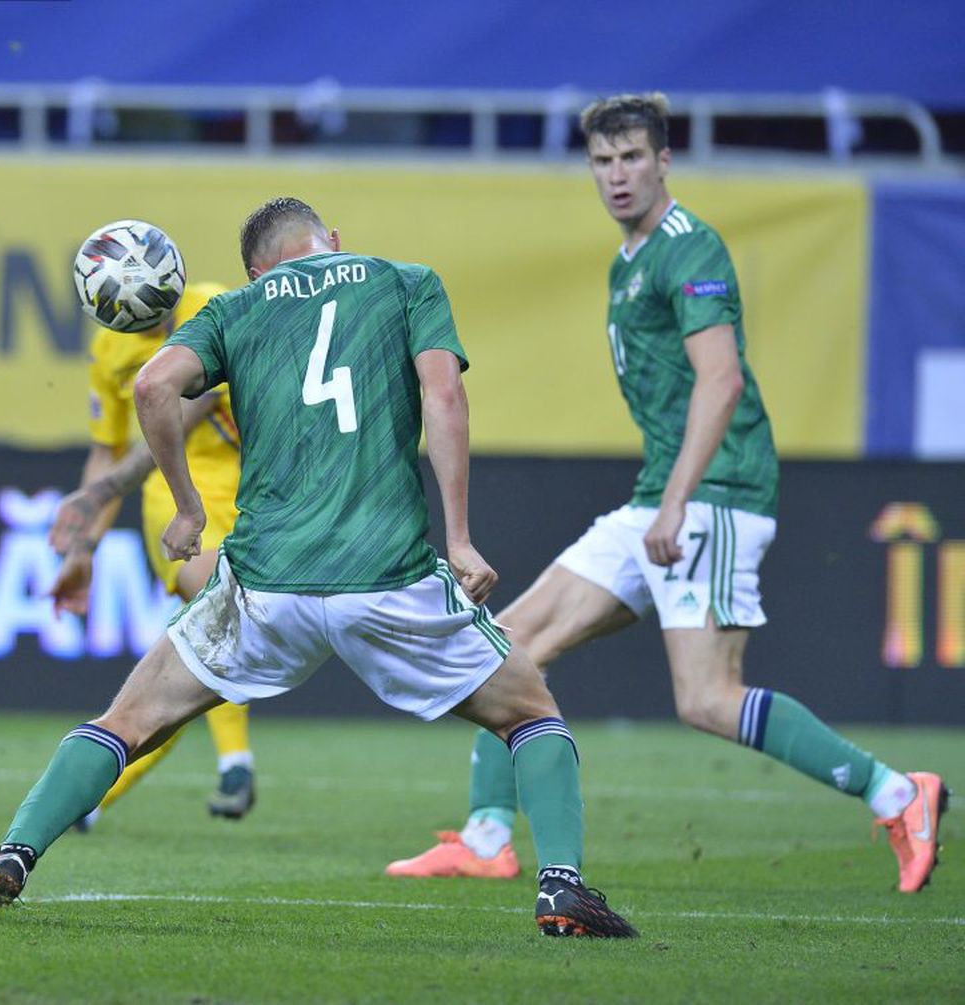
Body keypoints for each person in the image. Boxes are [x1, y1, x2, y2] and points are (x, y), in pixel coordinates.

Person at [0, 197, 636, 938]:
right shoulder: (406, 280)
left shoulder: (239, 307)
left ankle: (12, 854)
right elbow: (443, 394)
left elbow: (155, 386)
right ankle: (562, 888)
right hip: (384, 569)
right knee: (530, 712)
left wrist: (187, 508)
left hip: (263, 579)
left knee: (127, 721)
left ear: (258, 270)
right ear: (334, 242)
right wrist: (460, 538)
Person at [386, 94, 948, 894]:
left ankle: (898, 793)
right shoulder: (630, 261)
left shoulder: (690, 248)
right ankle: (486, 835)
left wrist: (680, 500)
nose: (617, 176)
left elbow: (721, 381)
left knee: (709, 698)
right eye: (603, 162)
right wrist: (664, 496)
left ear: (664, 162)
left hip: (712, 494)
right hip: (661, 494)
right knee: (505, 642)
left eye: (632, 158)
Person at [48, 279, 256, 824]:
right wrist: (85, 546)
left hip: (260, 488)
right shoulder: (109, 351)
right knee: (221, 606)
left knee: (199, 654)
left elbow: (191, 405)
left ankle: (95, 794)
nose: (145, 327)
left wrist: (100, 492)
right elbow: (107, 448)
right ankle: (237, 760)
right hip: (175, 490)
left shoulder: (215, 306)